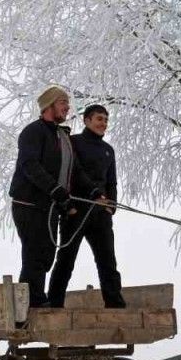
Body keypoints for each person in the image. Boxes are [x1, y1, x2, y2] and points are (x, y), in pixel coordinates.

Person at [9, 86, 104, 308]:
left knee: (47, 254)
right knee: (35, 252)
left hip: (51, 205)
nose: (67, 106)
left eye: (67, 102)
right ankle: (32, 304)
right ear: (49, 105)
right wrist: (55, 189)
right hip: (29, 203)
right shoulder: (33, 132)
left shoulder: (61, 136)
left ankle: (34, 300)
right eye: (62, 101)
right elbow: (29, 165)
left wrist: (94, 191)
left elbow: (76, 170)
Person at [47, 103, 127, 308]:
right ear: (87, 120)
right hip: (76, 210)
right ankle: (54, 303)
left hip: (101, 214)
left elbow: (112, 182)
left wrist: (112, 205)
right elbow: (74, 172)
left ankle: (115, 303)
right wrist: (91, 195)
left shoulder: (109, 150)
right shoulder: (73, 143)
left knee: (108, 261)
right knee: (66, 259)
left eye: (106, 120)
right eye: (100, 119)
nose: (104, 124)